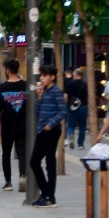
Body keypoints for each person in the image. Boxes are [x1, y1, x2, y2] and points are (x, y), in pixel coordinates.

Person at [31, 65, 68, 206]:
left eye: (44, 76)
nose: (41, 78)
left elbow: (63, 111)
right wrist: (39, 97)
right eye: (41, 76)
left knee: (50, 162)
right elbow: (37, 112)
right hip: (42, 130)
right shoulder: (44, 92)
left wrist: (50, 124)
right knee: (34, 161)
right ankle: (46, 193)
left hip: (51, 130)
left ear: (52, 77)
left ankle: (50, 197)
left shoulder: (56, 91)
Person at [0, 59, 28, 191]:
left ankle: (8, 182)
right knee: (22, 153)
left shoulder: (2, 88)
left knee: (6, 154)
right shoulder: (25, 85)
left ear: (8, 70)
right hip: (22, 124)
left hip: (7, 125)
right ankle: (22, 176)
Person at [64, 67, 89, 149]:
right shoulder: (86, 84)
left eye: (74, 74)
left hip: (72, 107)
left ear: (77, 75)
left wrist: (66, 105)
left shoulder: (71, 84)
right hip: (83, 107)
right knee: (82, 126)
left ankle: (71, 135)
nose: (73, 75)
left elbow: (66, 96)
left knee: (71, 125)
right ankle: (80, 144)